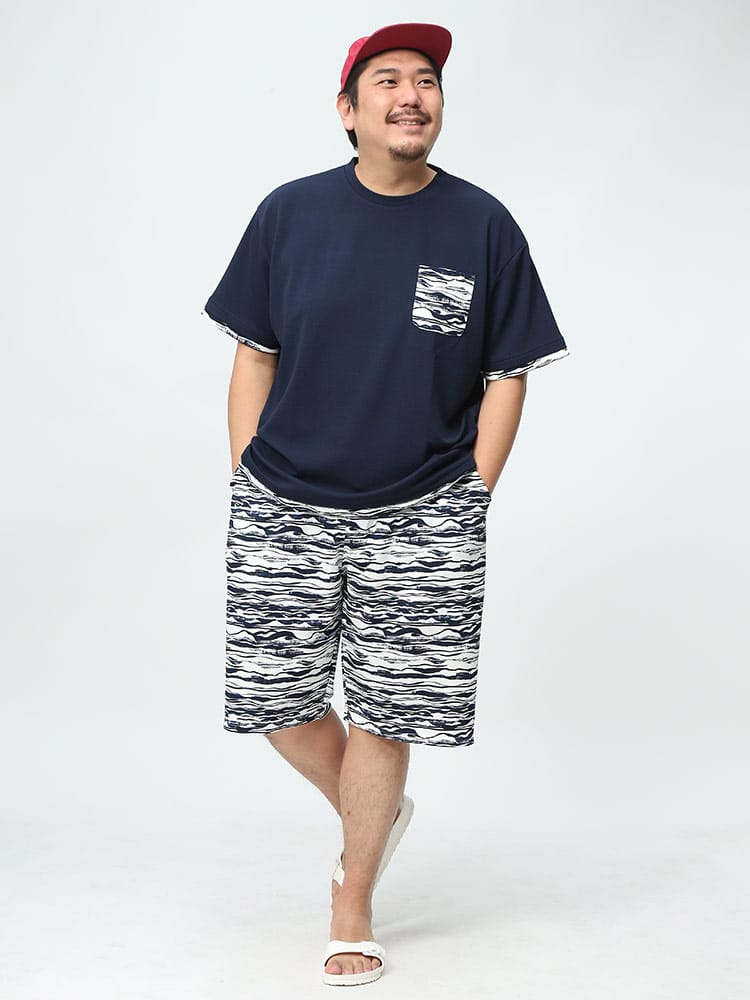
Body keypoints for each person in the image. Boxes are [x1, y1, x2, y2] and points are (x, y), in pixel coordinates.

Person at [202, 21, 569, 987]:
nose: (412, 95)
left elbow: (507, 372)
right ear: (348, 110)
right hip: (283, 497)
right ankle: (376, 811)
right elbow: (253, 352)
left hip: (425, 509)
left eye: (427, 80)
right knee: (273, 701)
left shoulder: (482, 224)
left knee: (386, 714)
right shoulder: (290, 213)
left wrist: (472, 492)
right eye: (388, 80)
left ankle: (352, 897)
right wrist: (245, 473)